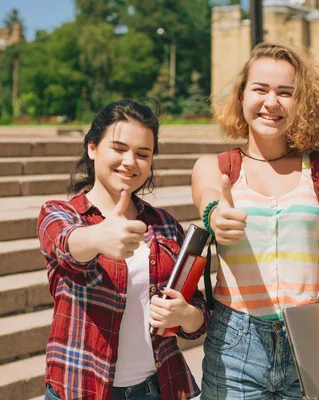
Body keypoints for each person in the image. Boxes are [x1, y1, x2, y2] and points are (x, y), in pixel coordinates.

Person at [191, 43, 319, 400]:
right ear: (241, 95)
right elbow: (210, 201)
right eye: (260, 89)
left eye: (285, 93)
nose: (271, 102)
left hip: (314, 337)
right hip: (236, 344)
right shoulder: (215, 167)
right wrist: (217, 215)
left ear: (300, 103)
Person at [38, 99, 209, 400]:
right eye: (118, 149)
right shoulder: (60, 214)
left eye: (142, 154)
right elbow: (66, 246)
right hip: (81, 387)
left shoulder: (165, 225)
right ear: (92, 147)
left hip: (156, 387)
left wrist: (185, 314)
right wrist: (98, 238)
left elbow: (197, 314)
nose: (130, 161)